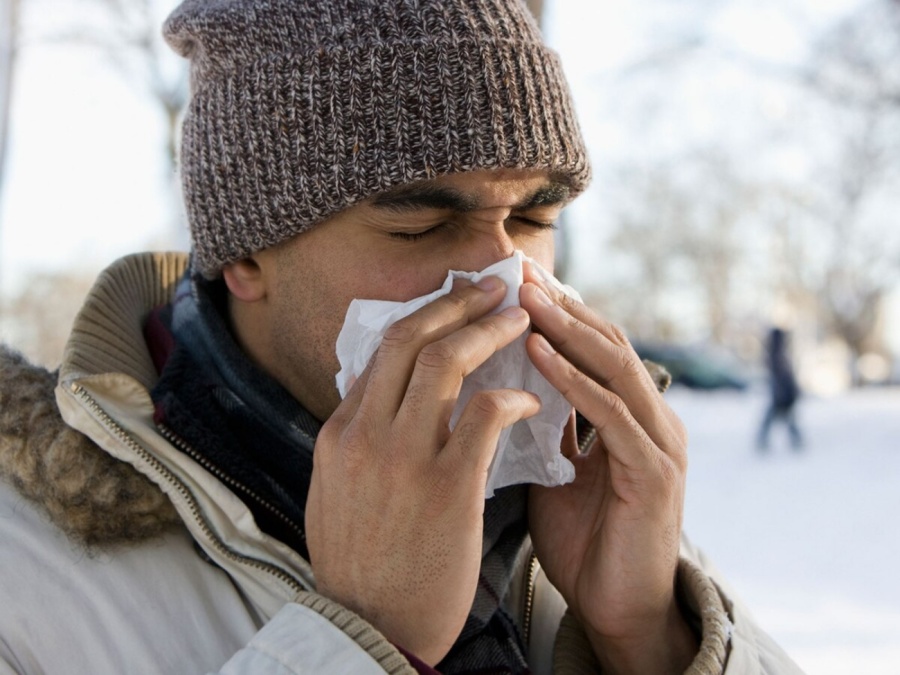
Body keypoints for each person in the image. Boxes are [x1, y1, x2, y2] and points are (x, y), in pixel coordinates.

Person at [0, 1, 802, 672]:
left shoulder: (583, 490)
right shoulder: (27, 563)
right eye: (422, 225)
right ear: (244, 255)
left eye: (534, 218)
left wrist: (654, 635)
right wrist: (356, 637)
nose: (505, 275)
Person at [757, 327, 803, 451]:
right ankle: (796, 441)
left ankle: (763, 442)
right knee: (783, 419)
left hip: (782, 394)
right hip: (782, 394)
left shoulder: (777, 354)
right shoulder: (778, 354)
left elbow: (784, 377)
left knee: (782, 419)